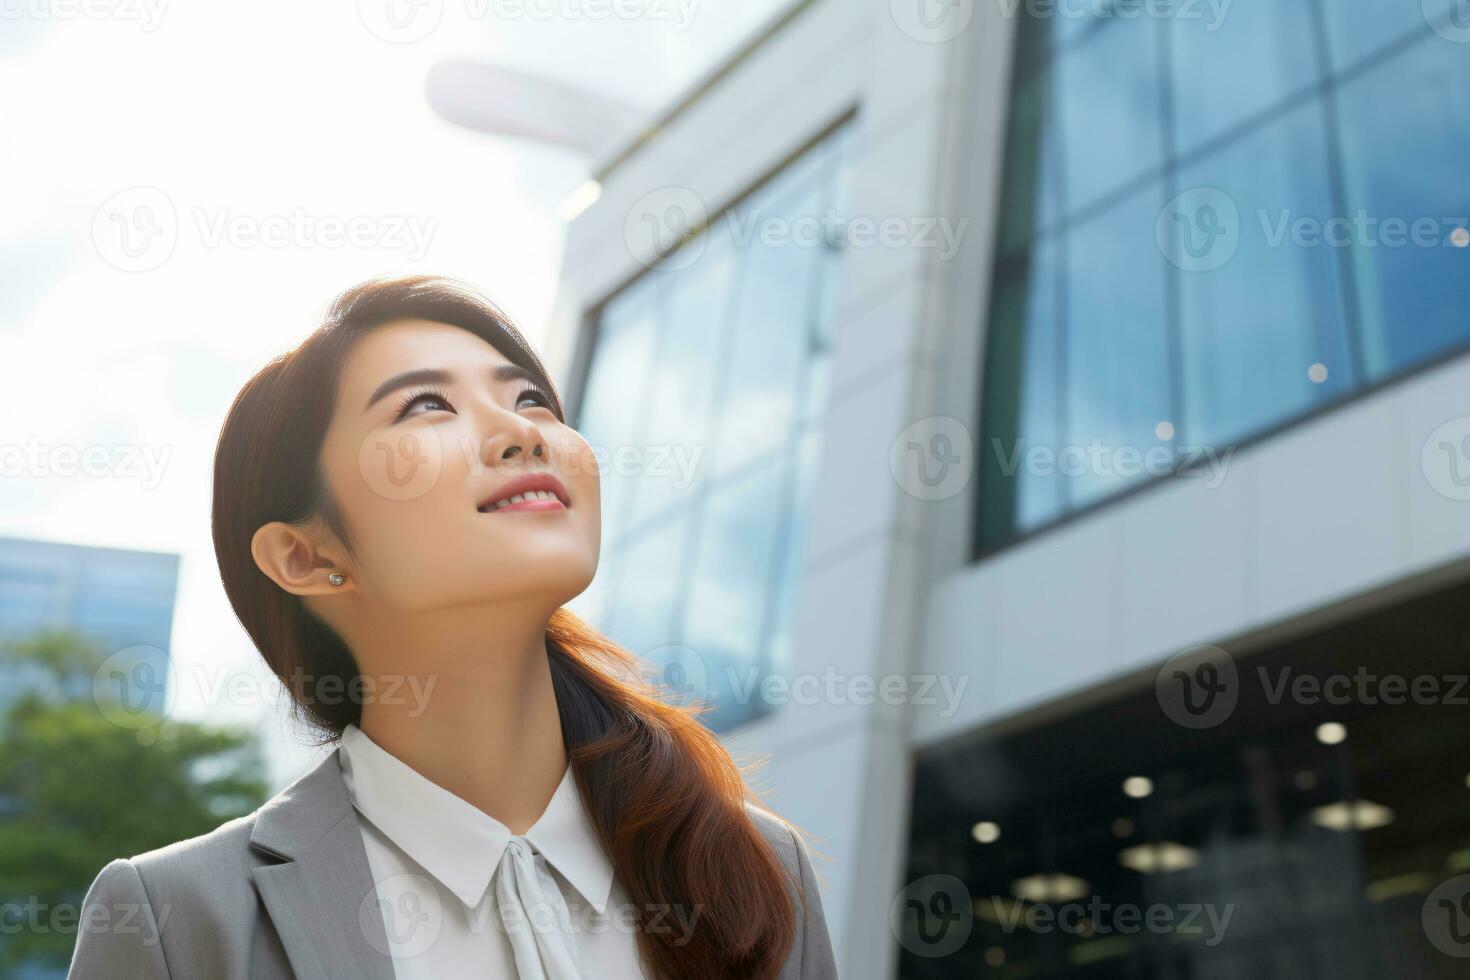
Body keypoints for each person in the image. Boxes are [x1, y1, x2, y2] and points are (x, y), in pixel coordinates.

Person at [67, 275, 838, 980]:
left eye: (531, 398)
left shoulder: (753, 865)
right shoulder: (178, 920)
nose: (521, 432)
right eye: (426, 405)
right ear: (306, 555)